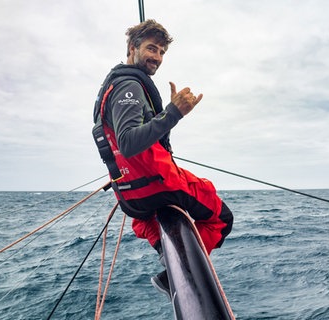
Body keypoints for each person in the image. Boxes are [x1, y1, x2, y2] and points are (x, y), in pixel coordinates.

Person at [92, 19, 233, 297]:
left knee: (145, 221)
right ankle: (181, 275)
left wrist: (165, 116)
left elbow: (129, 137)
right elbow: (129, 142)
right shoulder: (129, 87)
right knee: (222, 218)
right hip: (157, 184)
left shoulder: (114, 85)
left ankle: (168, 260)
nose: (156, 57)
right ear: (132, 48)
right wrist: (173, 113)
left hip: (129, 196)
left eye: (161, 52)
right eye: (151, 49)